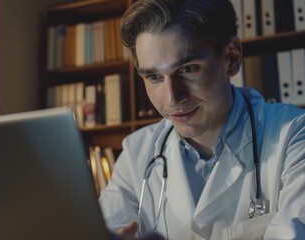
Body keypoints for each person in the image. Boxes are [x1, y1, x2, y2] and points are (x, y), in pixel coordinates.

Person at [100, 0, 305, 239]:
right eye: (154, 76)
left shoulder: (294, 135)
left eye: (187, 69)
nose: (172, 99)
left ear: (232, 57)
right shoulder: (137, 154)